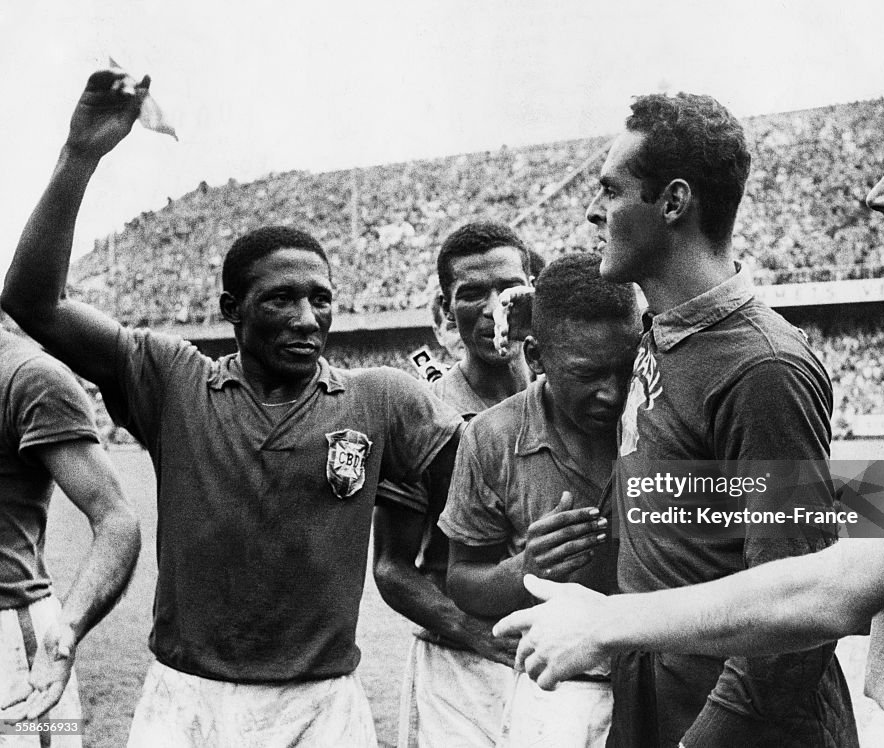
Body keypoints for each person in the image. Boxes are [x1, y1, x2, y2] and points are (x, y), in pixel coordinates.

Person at [497, 57, 884, 748]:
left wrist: (610, 623)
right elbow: (862, 519)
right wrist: (724, 496)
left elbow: (831, 588)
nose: (874, 198)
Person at [1, 69, 464, 748]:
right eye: (282, 298)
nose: (307, 318)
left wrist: (452, 578)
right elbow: (33, 301)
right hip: (186, 701)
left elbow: (480, 478)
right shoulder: (173, 379)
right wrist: (81, 154)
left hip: (321, 706)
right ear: (232, 310)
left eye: (321, 298)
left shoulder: (381, 397)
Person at [509, 92, 857, 747]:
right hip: (652, 702)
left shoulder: (763, 369)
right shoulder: (661, 335)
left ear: (673, 203)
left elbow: (795, 625)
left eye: (611, 190)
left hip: (731, 726)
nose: (593, 210)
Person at [439, 252, 640, 747]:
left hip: (661, 677)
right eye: (587, 374)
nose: (612, 393)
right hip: (559, 691)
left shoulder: (662, 416)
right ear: (536, 358)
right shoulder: (492, 437)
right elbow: (462, 579)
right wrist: (526, 567)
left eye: (626, 369)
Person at [373, 221, 535, 747]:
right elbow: (392, 566)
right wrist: (474, 632)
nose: (494, 310)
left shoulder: (571, 395)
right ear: (445, 310)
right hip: (461, 668)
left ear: (532, 294)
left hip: (558, 656)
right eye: (472, 294)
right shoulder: (425, 412)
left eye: (509, 289)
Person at [0, 330, 140, 745]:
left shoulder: (32, 377)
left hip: (12, 642)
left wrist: (67, 630)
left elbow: (116, 520)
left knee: (41, 736)